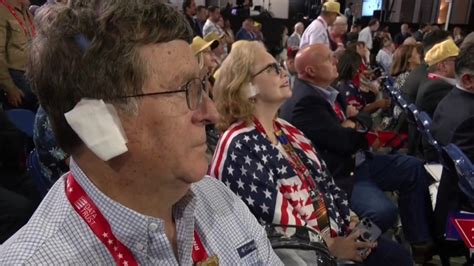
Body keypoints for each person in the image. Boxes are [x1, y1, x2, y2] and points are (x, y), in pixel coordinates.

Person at [0, 1, 282, 264]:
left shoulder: (219, 199)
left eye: (202, 85)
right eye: (187, 90)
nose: (212, 113)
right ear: (99, 123)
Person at [210, 40, 411, 265]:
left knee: (394, 252)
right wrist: (332, 247)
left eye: (280, 66)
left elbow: (326, 184)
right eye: (271, 69)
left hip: (335, 230)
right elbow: (275, 231)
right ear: (246, 86)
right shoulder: (239, 147)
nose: (284, 72)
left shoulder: (287, 130)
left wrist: (352, 222)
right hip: (306, 255)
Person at [280, 44, 433, 264]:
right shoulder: (306, 101)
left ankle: (420, 243)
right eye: (328, 59)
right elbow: (346, 142)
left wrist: (354, 122)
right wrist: (358, 122)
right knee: (383, 210)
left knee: (411, 167)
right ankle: (353, 250)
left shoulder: (326, 91)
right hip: (341, 173)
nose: (335, 62)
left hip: (358, 161)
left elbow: (352, 126)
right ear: (311, 71)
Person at [431, 43, 474, 240]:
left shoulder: (448, 101)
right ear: (468, 80)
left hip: (446, 196)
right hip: (460, 203)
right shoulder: (468, 118)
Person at [0, 0, 37, 111]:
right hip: (17, 77)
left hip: (33, 73)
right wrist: (10, 88)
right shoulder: (2, 13)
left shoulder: (26, 11)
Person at [337, 49, 390, 114]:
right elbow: (359, 113)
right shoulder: (346, 89)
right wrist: (378, 104)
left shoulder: (349, 82)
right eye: (356, 68)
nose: (358, 70)